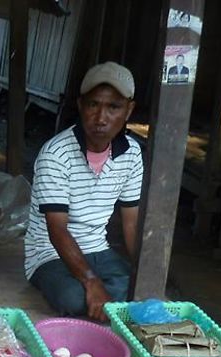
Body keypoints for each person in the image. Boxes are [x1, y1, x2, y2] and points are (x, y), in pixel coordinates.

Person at [24, 61, 143, 322]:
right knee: (73, 297)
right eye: (93, 105)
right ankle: (102, 298)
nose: (101, 118)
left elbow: (131, 222)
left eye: (113, 107)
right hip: (49, 254)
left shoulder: (132, 154)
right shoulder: (55, 154)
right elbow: (57, 230)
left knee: (139, 288)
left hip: (99, 249)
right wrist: (91, 282)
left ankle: (108, 298)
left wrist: (143, 275)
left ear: (129, 110)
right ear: (80, 105)